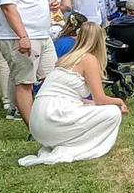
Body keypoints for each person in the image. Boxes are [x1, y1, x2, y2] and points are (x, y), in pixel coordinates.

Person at [19, 22, 127, 167]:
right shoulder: (88, 59)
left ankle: (63, 142)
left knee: (94, 108)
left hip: (37, 121)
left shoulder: (66, 59)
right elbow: (100, 99)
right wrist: (119, 101)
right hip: (53, 116)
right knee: (112, 112)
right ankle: (80, 147)